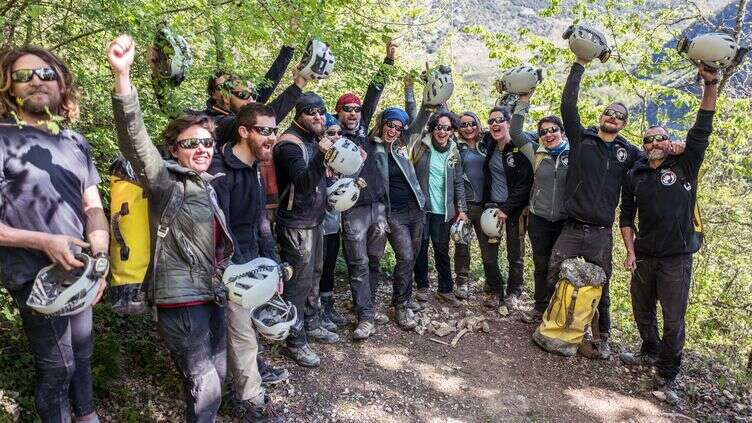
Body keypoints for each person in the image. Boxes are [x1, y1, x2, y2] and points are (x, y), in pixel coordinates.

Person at [108, 35, 234, 422]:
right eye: (191, 143)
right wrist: (122, 75)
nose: (202, 149)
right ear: (174, 148)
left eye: (208, 142)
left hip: (212, 294)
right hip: (180, 300)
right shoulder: (166, 183)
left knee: (215, 380)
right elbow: (134, 139)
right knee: (204, 383)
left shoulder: (208, 186)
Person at [0, 46, 108, 423]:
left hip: (80, 271)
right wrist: (44, 242)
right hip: (35, 278)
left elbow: (93, 206)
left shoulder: (75, 141)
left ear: (61, 83)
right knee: (58, 367)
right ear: (8, 86)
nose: (36, 81)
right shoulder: (1, 139)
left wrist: (100, 260)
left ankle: (87, 415)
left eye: (46, 74)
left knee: (82, 353)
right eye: (23, 75)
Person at [618, 64, 718, 403]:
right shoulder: (636, 173)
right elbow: (626, 216)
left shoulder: (685, 163)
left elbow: (703, 125)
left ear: (669, 140)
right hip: (644, 254)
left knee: (673, 317)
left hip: (677, 257)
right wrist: (630, 250)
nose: (655, 142)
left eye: (661, 137)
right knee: (641, 310)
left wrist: (710, 82)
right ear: (644, 146)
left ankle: (667, 370)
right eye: (648, 139)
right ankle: (649, 350)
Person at [551, 55, 646, 358]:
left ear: (623, 124)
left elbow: (652, 163)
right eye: (609, 112)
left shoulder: (627, 152)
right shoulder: (583, 138)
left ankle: (600, 336)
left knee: (601, 284)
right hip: (572, 226)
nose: (613, 117)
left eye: (619, 116)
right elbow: (568, 106)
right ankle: (552, 322)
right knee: (554, 272)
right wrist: (579, 65)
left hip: (601, 233)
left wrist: (674, 151)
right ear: (602, 116)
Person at [208, 102, 285, 421]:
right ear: (244, 131)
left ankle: (234, 389)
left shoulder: (254, 166)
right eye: (265, 131)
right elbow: (216, 234)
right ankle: (252, 401)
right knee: (241, 335)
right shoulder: (219, 171)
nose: (272, 137)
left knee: (247, 332)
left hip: (252, 263)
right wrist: (232, 273)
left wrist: (273, 265)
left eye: (274, 130)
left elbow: (259, 223)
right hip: (229, 269)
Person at [335, 41, 396, 339]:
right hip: (353, 210)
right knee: (358, 262)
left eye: (357, 110)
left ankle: (367, 306)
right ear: (338, 112)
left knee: (374, 260)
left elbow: (374, 93)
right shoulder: (332, 139)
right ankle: (365, 317)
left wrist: (388, 61)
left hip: (378, 207)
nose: (354, 113)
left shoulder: (363, 133)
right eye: (347, 109)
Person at [273, 92, 337, 367]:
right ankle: (295, 340)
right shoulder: (289, 144)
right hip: (296, 224)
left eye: (321, 112)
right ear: (298, 115)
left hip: (314, 220)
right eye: (311, 112)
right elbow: (302, 183)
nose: (318, 117)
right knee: (297, 284)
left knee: (315, 276)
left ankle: (311, 323)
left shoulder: (312, 140)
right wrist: (321, 157)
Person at [506, 91, 571, 323]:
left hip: (566, 221)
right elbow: (514, 132)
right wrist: (523, 101)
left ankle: (559, 311)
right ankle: (540, 307)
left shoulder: (574, 154)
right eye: (543, 131)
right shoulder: (536, 152)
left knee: (561, 266)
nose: (548, 134)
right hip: (539, 219)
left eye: (553, 130)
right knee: (541, 264)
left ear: (562, 132)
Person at [370, 100, 430, 328]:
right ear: (382, 123)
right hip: (394, 214)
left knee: (412, 257)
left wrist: (426, 100)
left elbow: (422, 120)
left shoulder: (403, 145)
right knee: (405, 257)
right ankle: (402, 307)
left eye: (397, 127)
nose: (392, 130)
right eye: (389, 124)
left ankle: (400, 297)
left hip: (415, 209)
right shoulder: (372, 147)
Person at [412, 111, 468, 306]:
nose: (442, 131)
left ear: (452, 131)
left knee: (442, 249)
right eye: (438, 127)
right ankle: (422, 286)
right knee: (421, 247)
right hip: (422, 207)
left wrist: (461, 209)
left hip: (443, 210)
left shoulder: (454, 152)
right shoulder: (421, 145)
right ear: (433, 128)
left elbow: (458, 182)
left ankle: (445, 289)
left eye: (447, 128)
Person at [481, 106, 533, 307]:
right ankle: (495, 289)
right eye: (491, 121)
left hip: (515, 211)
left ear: (509, 123)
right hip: (492, 208)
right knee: (490, 255)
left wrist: (507, 209)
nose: (495, 124)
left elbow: (524, 184)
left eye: (500, 120)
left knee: (515, 254)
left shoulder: (520, 148)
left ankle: (514, 292)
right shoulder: (490, 144)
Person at [452, 111, 498, 301]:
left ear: (478, 124)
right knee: (462, 246)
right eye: (463, 125)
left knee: (489, 249)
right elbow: (457, 180)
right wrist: (461, 208)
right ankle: (462, 282)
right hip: (465, 205)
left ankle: (493, 283)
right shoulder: (456, 148)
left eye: (472, 123)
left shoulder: (488, 143)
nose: (468, 128)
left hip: (488, 205)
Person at [319, 113, 349, 330]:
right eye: (331, 133)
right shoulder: (316, 158)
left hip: (334, 224)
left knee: (329, 266)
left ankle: (327, 307)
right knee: (316, 269)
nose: (337, 136)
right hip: (316, 224)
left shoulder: (342, 160)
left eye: (340, 133)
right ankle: (315, 311)